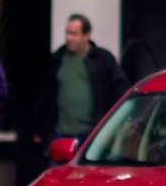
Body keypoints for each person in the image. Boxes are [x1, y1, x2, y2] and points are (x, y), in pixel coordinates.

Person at [34, 13, 129, 148]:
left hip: (93, 135)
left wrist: (114, 126)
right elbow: (45, 96)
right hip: (61, 135)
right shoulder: (57, 59)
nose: (69, 38)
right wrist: (39, 128)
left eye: (74, 34)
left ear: (86, 35)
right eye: (67, 33)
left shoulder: (103, 59)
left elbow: (121, 90)